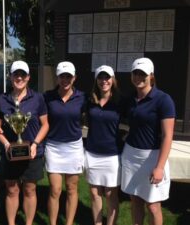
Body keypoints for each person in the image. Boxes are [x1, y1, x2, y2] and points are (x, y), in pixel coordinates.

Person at [121, 57, 175, 225]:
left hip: (153, 158)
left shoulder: (163, 100)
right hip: (131, 156)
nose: (138, 77)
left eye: (142, 74)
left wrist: (159, 167)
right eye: (135, 73)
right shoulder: (129, 99)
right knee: (135, 200)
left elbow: (167, 136)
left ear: (151, 76)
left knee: (153, 206)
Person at [0, 60, 49, 225]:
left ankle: (28, 223)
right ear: (10, 77)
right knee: (11, 189)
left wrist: (34, 145)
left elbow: (45, 124)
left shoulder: (38, 98)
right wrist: (5, 143)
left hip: (32, 153)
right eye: (16, 74)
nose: (19, 78)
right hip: (11, 152)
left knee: (30, 190)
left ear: (28, 77)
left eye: (22, 75)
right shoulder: (1, 99)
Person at [44, 61, 86, 225]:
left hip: (74, 147)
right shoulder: (48, 97)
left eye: (69, 76)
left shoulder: (82, 97)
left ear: (74, 77)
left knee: (71, 188)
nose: (65, 79)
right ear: (57, 78)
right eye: (62, 76)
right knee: (55, 190)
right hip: (53, 147)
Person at [84, 65, 122, 225]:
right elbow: (86, 122)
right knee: (94, 192)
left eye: (107, 77)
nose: (104, 81)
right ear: (96, 80)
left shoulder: (120, 101)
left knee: (110, 194)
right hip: (92, 153)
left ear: (112, 80)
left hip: (112, 154)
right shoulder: (90, 101)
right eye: (100, 77)